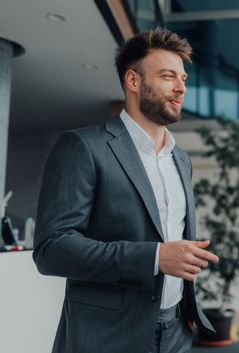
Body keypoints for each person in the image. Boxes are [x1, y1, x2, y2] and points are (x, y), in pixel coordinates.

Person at [33, 29, 219, 353]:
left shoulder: (181, 159)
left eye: (184, 79)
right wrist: (156, 257)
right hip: (108, 336)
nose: (181, 89)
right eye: (167, 77)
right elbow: (52, 249)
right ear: (133, 81)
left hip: (175, 332)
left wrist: (185, 308)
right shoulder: (83, 147)